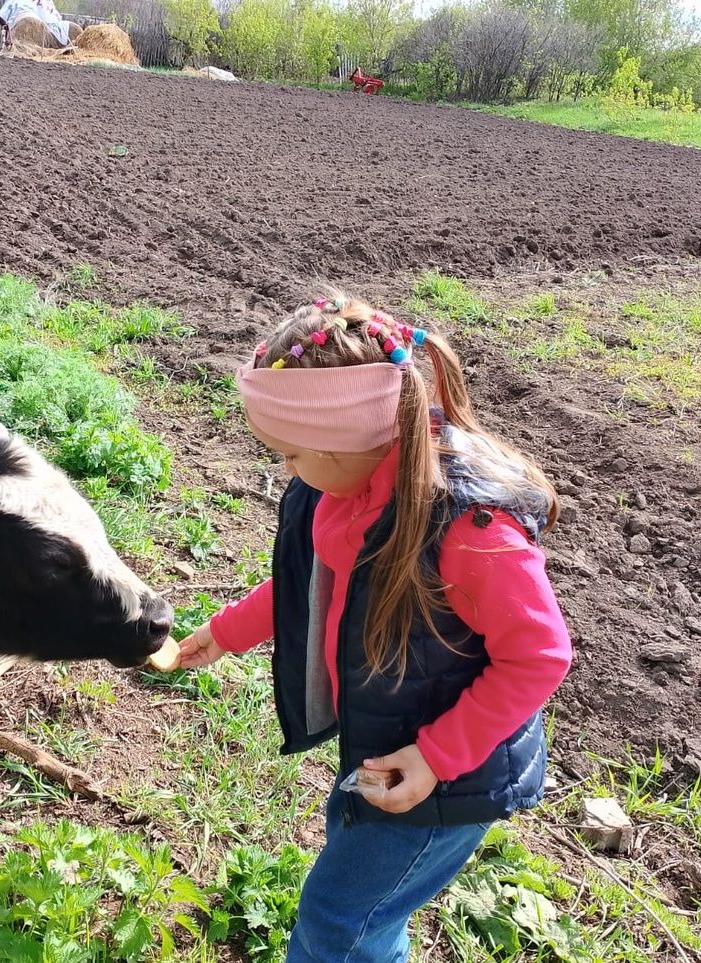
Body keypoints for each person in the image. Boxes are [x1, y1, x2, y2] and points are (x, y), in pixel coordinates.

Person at [177, 292, 573, 962]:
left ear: (351, 434)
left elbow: (540, 655)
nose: (285, 469)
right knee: (363, 894)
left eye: (293, 453)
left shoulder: (468, 531)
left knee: (338, 921)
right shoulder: (341, 488)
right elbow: (310, 578)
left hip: (445, 773)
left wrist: (435, 756)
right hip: (385, 736)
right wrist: (228, 630)